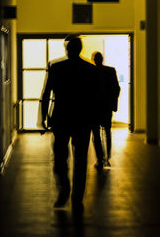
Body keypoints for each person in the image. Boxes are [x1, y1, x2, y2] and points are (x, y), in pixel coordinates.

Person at [39, 35, 97, 208]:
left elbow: (46, 93)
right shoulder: (89, 69)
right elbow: (94, 97)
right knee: (80, 160)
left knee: (59, 157)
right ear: (80, 49)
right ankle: (77, 198)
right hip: (82, 119)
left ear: (67, 49)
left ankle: (64, 188)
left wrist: (43, 118)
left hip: (61, 117)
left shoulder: (56, 67)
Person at [91, 51, 120, 169]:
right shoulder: (111, 71)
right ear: (102, 59)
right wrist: (113, 105)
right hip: (106, 107)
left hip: (94, 108)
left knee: (96, 134)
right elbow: (116, 89)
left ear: (93, 60)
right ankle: (107, 157)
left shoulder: (91, 72)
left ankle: (100, 158)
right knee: (107, 132)